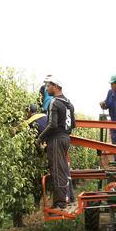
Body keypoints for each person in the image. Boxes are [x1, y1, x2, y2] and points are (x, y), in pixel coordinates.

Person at [37, 76, 75, 209]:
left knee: (57, 170)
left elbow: (52, 125)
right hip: (66, 138)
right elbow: (73, 124)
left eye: (48, 86)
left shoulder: (54, 102)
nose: (47, 89)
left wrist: (40, 138)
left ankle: (60, 203)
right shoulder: (69, 103)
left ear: (56, 86)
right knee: (63, 168)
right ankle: (68, 197)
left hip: (56, 139)